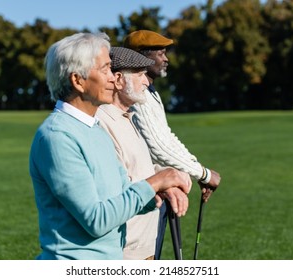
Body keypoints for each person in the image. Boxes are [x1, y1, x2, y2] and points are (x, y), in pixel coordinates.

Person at [29, 32, 192, 260]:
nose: (113, 78)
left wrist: (158, 193)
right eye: (105, 69)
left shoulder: (93, 128)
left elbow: (122, 192)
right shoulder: (57, 136)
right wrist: (155, 182)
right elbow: (96, 219)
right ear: (78, 81)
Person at [123, 30, 222, 259]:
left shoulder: (150, 92)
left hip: (159, 186)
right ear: (141, 57)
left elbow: (167, 137)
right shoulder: (137, 94)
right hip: (144, 191)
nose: (166, 58)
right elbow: (158, 147)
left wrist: (196, 168)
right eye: (161, 53)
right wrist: (203, 174)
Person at [96, 47, 189, 260]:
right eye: (139, 75)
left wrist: (167, 177)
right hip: (125, 249)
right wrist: (162, 181)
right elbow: (116, 186)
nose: (146, 82)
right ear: (118, 79)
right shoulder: (102, 122)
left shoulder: (130, 117)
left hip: (146, 243)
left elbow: (139, 168)